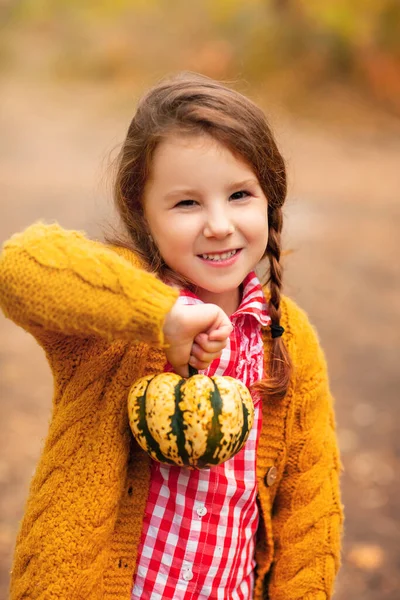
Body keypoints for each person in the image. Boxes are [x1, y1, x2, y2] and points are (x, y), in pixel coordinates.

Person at [0, 72, 343, 600]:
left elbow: (308, 514)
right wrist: (159, 315)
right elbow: (19, 267)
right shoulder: (114, 314)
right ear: (142, 210)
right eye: (187, 203)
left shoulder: (289, 340)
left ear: (269, 199)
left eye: (239, 195)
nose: (219, 224)